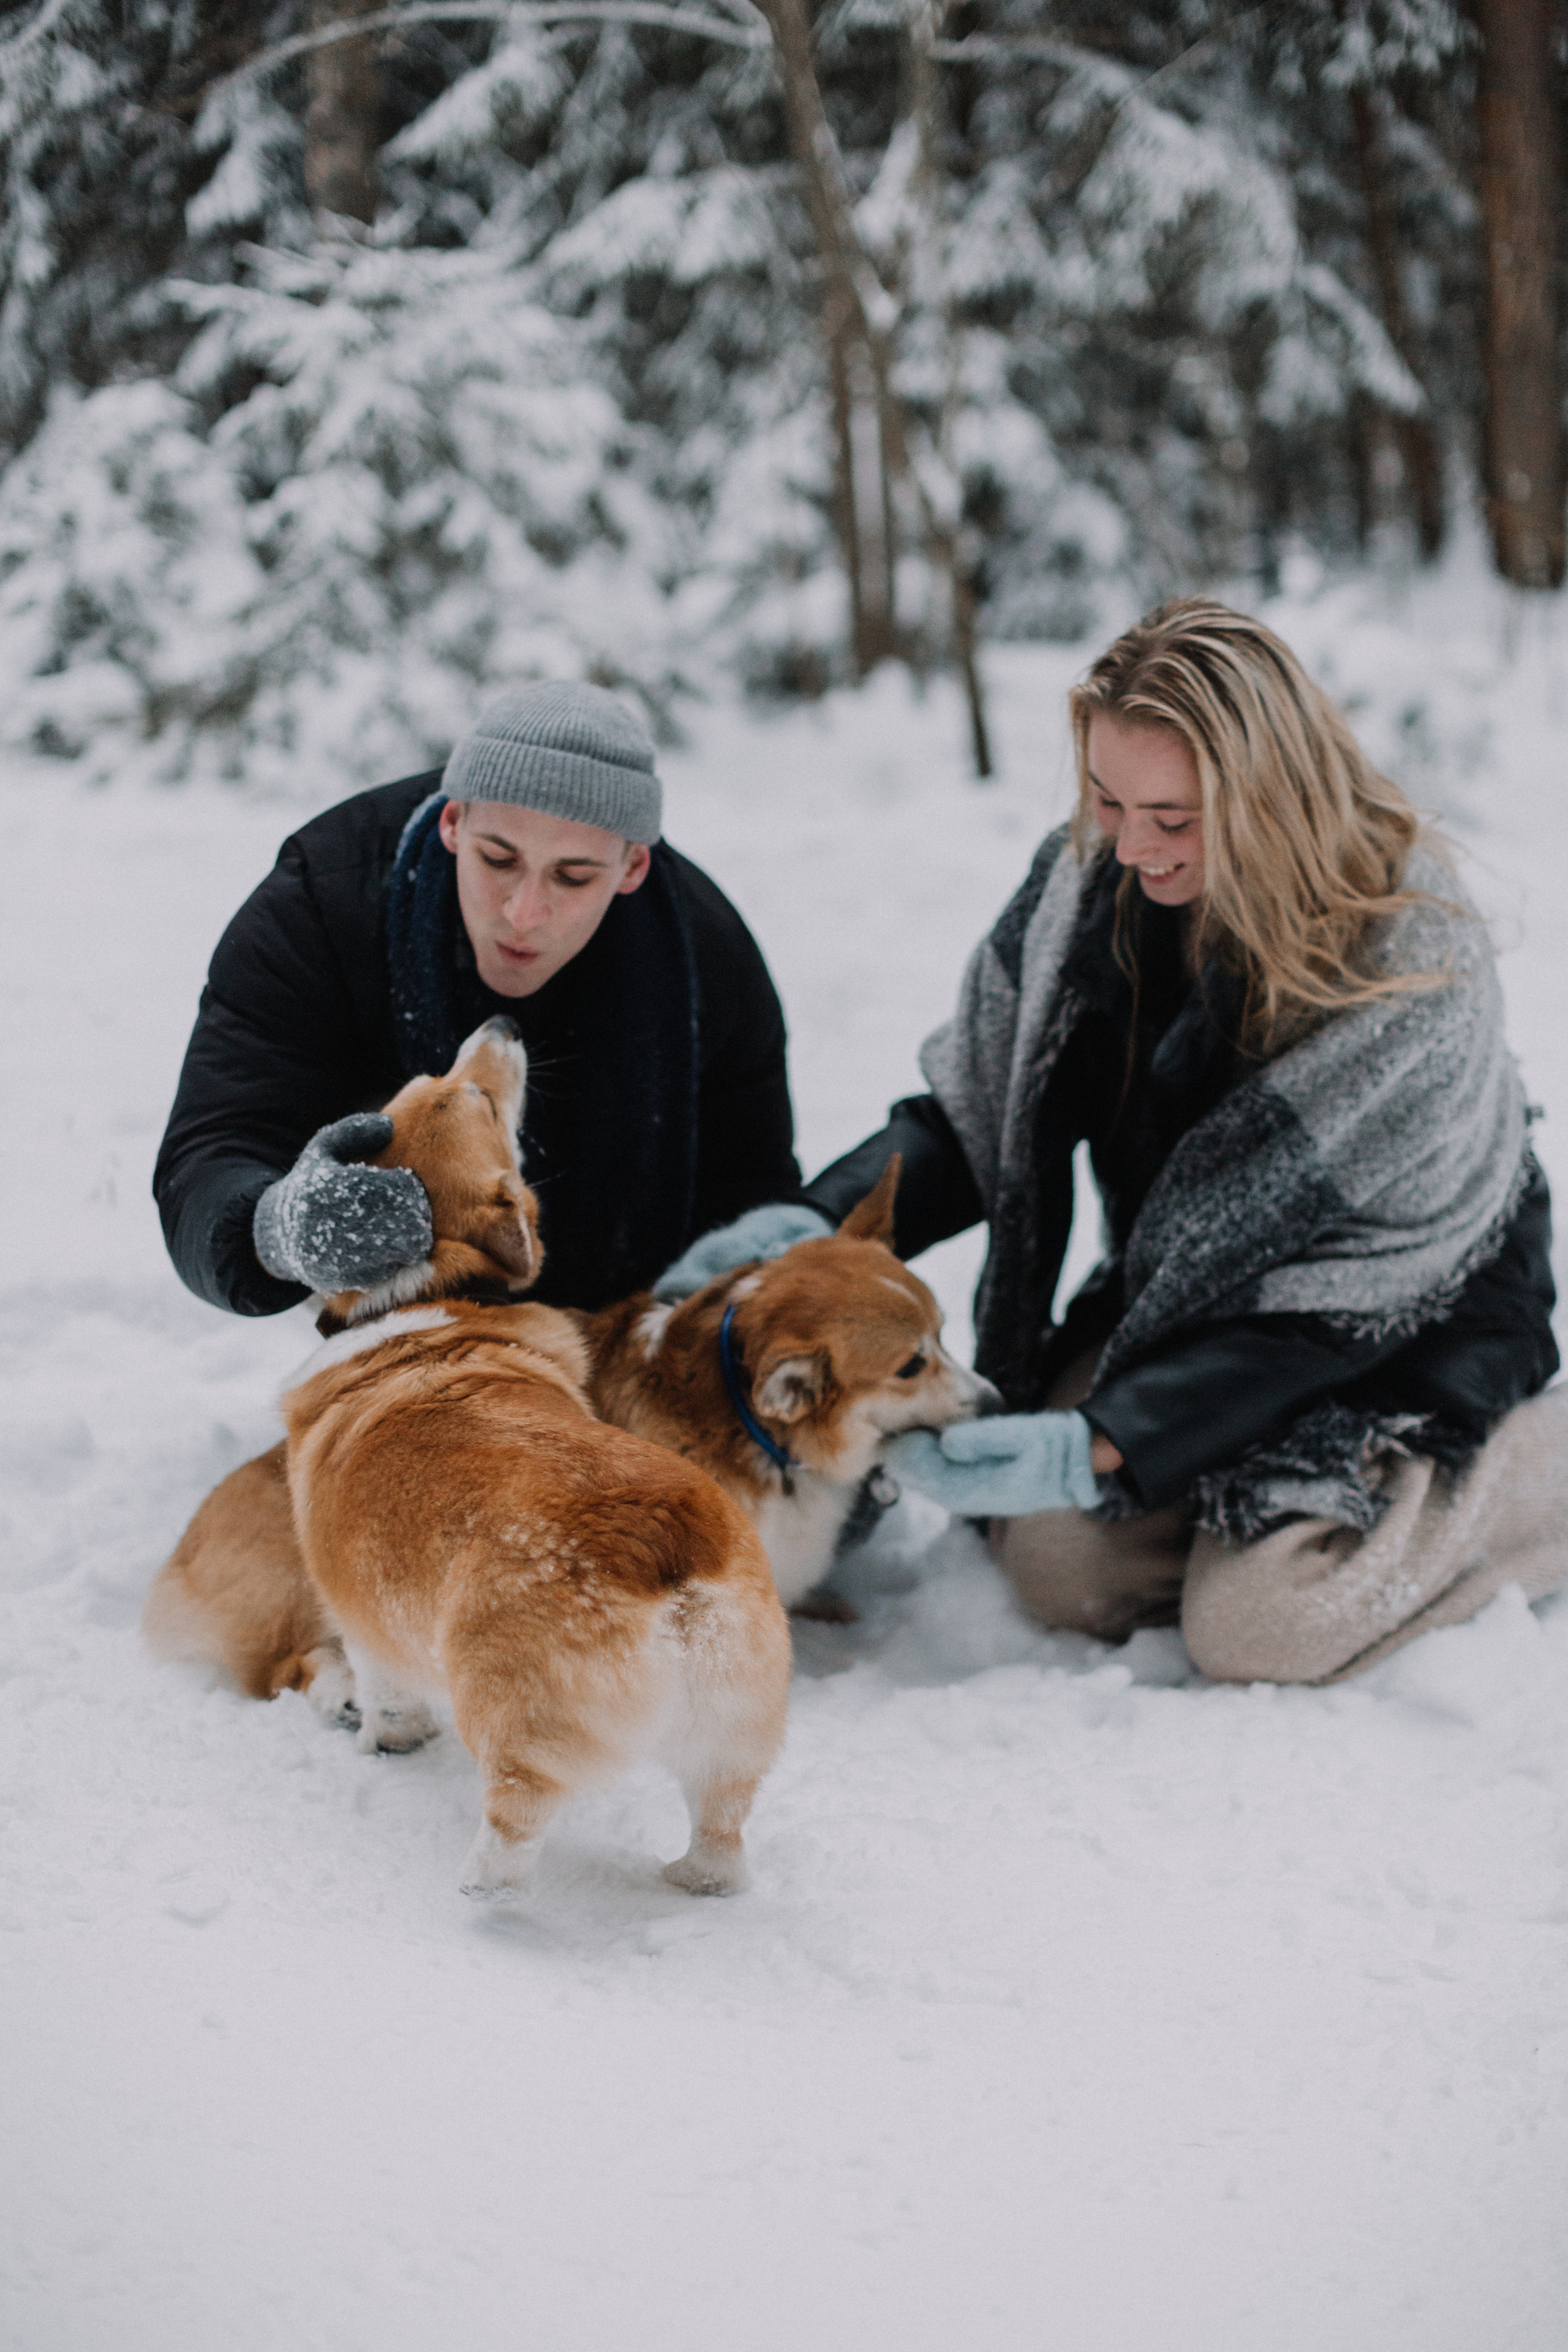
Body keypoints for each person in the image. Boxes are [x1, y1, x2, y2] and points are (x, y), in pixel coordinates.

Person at [659, 599, 1566, 1684]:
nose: (1131, 845)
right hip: (1189, 1296)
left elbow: (1331, 1315)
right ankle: (1248, 1509)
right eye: (1106, 798)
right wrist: (808, 1224)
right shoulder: (1094, 881)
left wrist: (1103, 1442)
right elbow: (975, 1116)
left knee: (1265, 1625)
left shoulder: (1407, 957)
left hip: (1399, 1325)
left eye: (1174, 819)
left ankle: (1524, 1478)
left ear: (1271, 798)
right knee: (1060, 1572)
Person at [155, 681, 804, 1318]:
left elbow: (750, 1194)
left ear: (633, 867)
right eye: (498, 859)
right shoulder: (323, 903)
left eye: (572, 877)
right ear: (453, 823)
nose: (524, 914)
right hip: (389, 1333)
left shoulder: (706, 952)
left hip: (624, 1327)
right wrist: (281, 1230)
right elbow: (214, 1148)